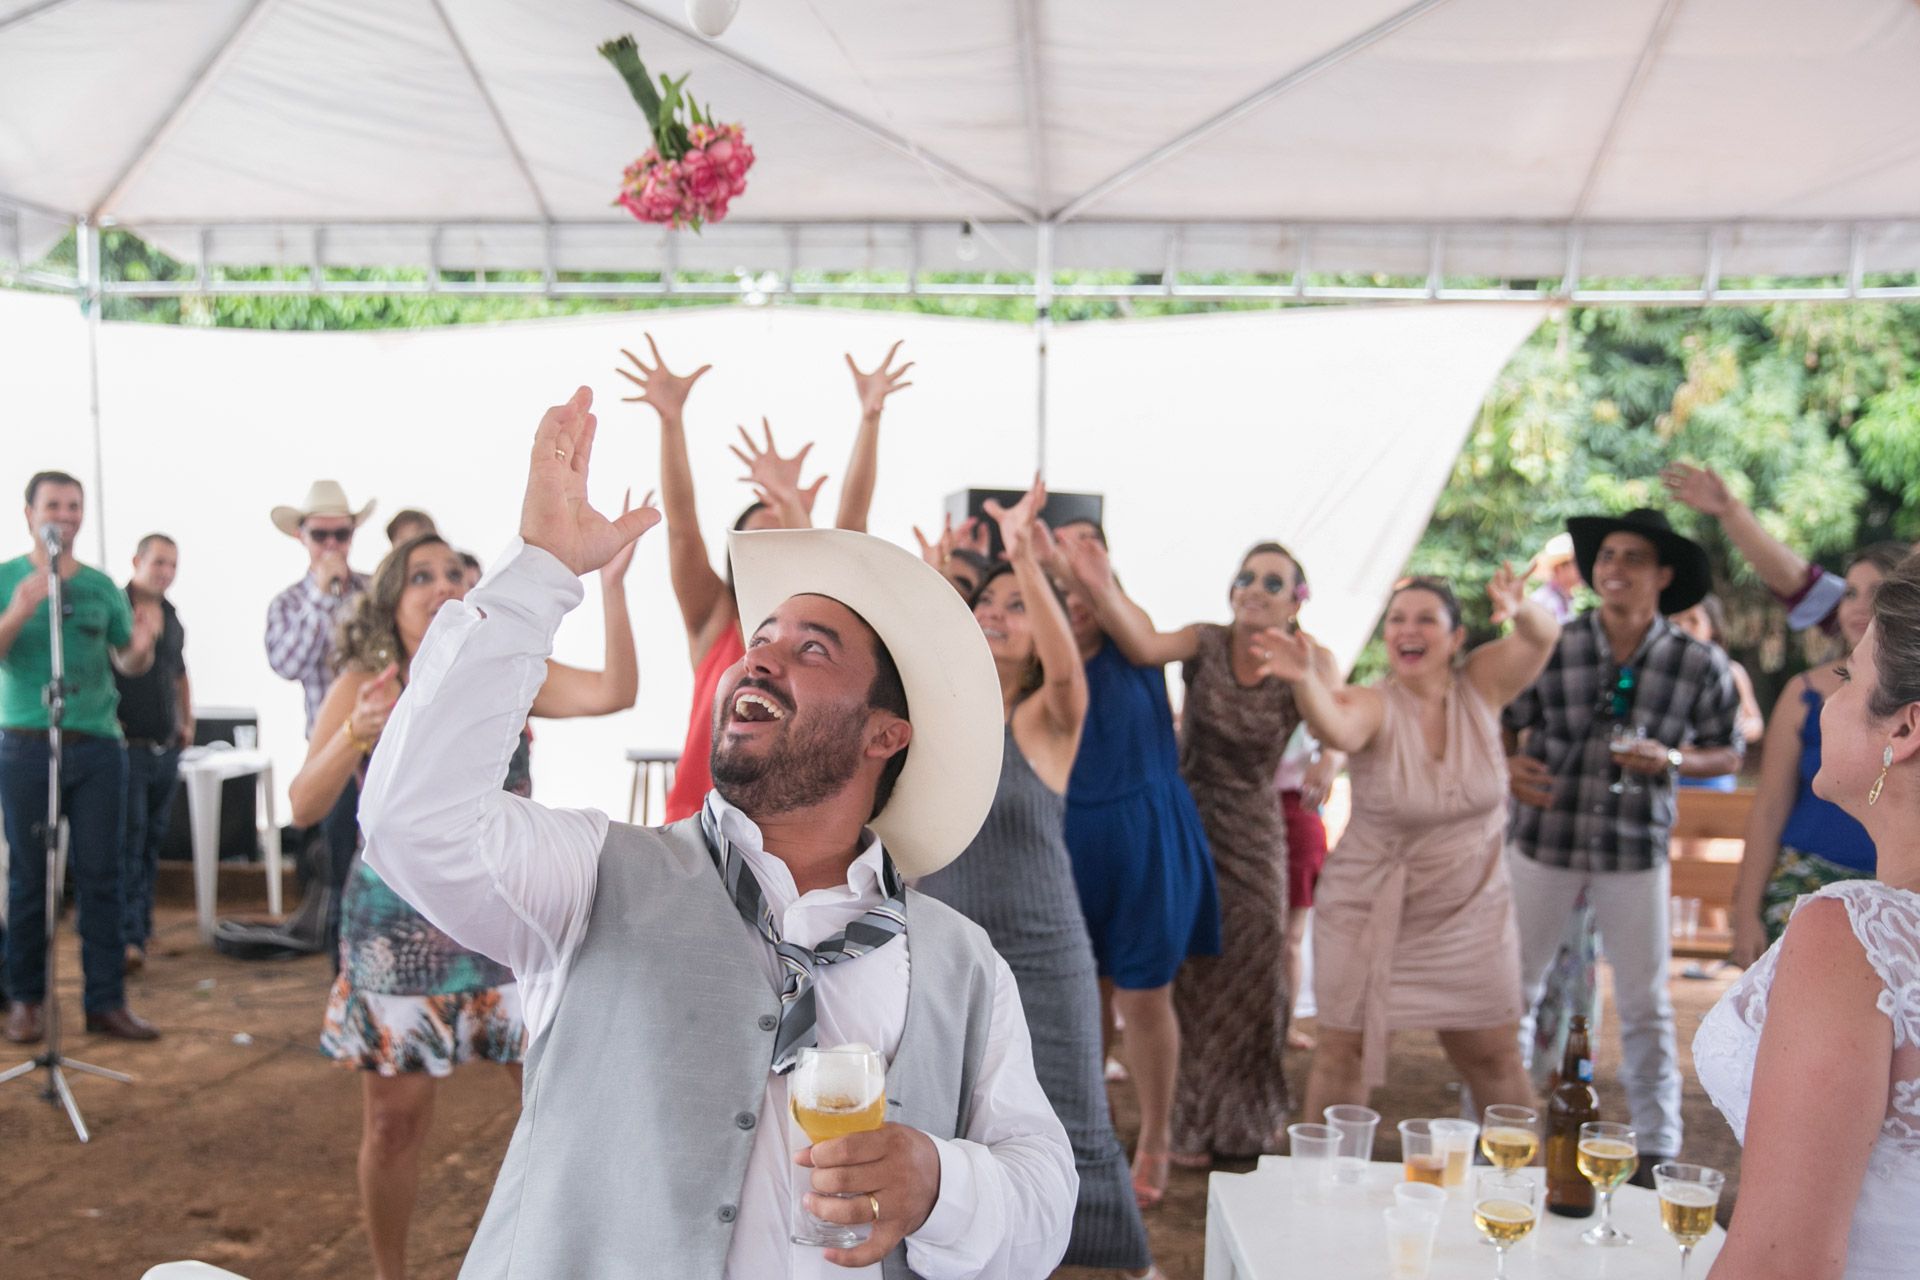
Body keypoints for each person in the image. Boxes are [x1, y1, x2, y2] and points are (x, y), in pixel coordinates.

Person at [358, 387, 1075, 1277]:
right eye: (761, 634)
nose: (759, 654)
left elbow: (1046, 1199)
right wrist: (541, 569)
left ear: (885, 734)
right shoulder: (592, 879)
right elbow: (409, 822)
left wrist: (940, 1182)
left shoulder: (963, 964)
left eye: (813, 649)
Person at [289, 523, 639, 1280]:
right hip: (397, 938)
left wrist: (612, 590)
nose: (444, 583)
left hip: (504, 922)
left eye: (454, 571)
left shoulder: (508, 674)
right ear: (390, 603)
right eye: (422, 576)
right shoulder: (368, 683)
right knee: (394, 1126)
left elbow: (616, 692)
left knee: (551, 1105)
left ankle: (552, 1259)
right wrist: (354, 733)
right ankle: (391, 1275)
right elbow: (303, 804)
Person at [915, 481, 1156, 1277]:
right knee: (951, 1124)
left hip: (1044, 953)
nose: (997, 613)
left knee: (1073, 1123)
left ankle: (1110, 1264)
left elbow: (1065, 679)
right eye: (988, 602)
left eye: (1018, 607)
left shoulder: (1044, 719)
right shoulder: (931, 719)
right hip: (945, 958)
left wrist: (1024, 558)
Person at [1694, 550, 1920, 1279]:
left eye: (1851, 677)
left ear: (1905, 729)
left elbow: (1780, 1263)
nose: (1829, 696)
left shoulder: (1858, 936)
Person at [1067, 535, 1326, 1164]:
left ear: (1296, 599)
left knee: (1255, 969)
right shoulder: (1205, 640)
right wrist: (1099, 584)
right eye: (1246, 577)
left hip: (1256, 828)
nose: (1255, 590)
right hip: (1183, 821)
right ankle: (1186, 1122)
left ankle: (1245, 1116)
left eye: (1272, 582)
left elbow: (1333, 719)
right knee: (1186, 977)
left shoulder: (1310, 656)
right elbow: (1145, 645)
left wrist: (1330, 755)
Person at [1261, 570, 1557, 1118]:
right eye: (1397, 619)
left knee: (1494, 1057)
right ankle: (1323, 1190)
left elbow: (1542, 638)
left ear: (1456, 637)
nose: (1407, 630)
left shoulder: (1484, 684)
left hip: (1472, 908)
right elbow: (1337, 731)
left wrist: (1520, 607)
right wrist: (1305, 681)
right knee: (1342, 1054)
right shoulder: (1372, 702)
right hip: (1368, 907)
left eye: (1425, 619)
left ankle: (1521, 1192)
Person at [1503, 508, 1743, 1169]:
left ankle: (1658, 1142)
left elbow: (1728, 751)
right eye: (1605, 556)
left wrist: (1670, 759)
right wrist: (1507, 765)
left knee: (1643, 1001)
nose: (1614, 569)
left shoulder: (1697, 661)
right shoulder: (1553, 642)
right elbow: (1497, 709)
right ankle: (1497, 1125)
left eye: (1632, 558)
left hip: (1633, 849)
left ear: (1663, 575)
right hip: (1544, 838)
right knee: (1514, 989)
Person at [616, 335, 913, 823]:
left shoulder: (830, 621)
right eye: (757, 544)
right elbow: (683, 527)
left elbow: (851, 523)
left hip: (785, 829)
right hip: (697, 824)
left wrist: (870, 417)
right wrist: (670, 421)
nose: (771, 555)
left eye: (785, 540)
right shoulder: (717, 619)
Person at [1048, 518, 1220, 1205]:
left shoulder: (1136, 634)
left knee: (1145, 994)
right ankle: (1093, 1125)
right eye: (1063, 554)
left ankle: (1155, 1132)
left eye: (1090, 549)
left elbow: (1140, 633)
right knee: (1082, 994)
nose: (1078, 569)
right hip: (1068, 838)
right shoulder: (1043, 659)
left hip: (1148, 833)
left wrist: (1093, 582)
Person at [1, 471, 163, 1044]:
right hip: (25, 744)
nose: (64, 516)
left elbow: (128, 659)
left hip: (97, 744)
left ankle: (106, 1002)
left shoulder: (99, 587)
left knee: (102, 876)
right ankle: (24, 1000)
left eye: (74, 506)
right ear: (29, 513)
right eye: (53, 506)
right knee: (29, 878)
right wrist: (19, 610)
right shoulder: (6, 579)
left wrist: (141, 649)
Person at [1722, 544, 1909, 965]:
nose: (1859, 607)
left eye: (1876, 593)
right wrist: (1746, 910)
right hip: (1805, 876)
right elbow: (1769, 805)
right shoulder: (1803, 691)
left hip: (1899, 885)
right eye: (1849, 592)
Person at [115, 532, 192, 973]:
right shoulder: (116, 607)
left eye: (172, 565)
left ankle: (143, 930)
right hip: (127, 749)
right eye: (158, 563)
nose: (165, 572)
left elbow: (179, 671)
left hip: (166, 747)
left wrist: (188, 720)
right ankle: (126, 938)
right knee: (127, 841)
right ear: (137, 561)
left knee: (149, 844)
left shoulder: (172, 615)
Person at [266, 480, 375, 737]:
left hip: (382, 740)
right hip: (326, 741)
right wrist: (321, 595)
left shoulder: (374, 590)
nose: (331, 544)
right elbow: (287, 666)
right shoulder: (286, 603)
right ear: (301, 536)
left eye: (341, 534)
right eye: (319, 535)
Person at [1274, 724, 1341, 1053]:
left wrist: (1332, 755)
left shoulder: (1308, 687)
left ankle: (1284, 1024)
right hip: (1236, 811)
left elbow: (1342, 732)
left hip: (1298, 811)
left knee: (1291, 938)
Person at [1668, 595, 1765, 790]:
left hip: (1714, 776)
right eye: (1676, 622)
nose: (1684, 628)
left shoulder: (1732, 671)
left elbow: (1755, 722)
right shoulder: (1659, 672)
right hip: (1670, 772)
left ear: (1712, 628)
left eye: (1692, 621)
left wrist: (1738, 729)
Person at [1528, 532, 1581, 624]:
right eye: (1577, 563)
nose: (1583, 568)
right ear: (1559, 568)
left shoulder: (1564, 598)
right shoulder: (1544, 601)